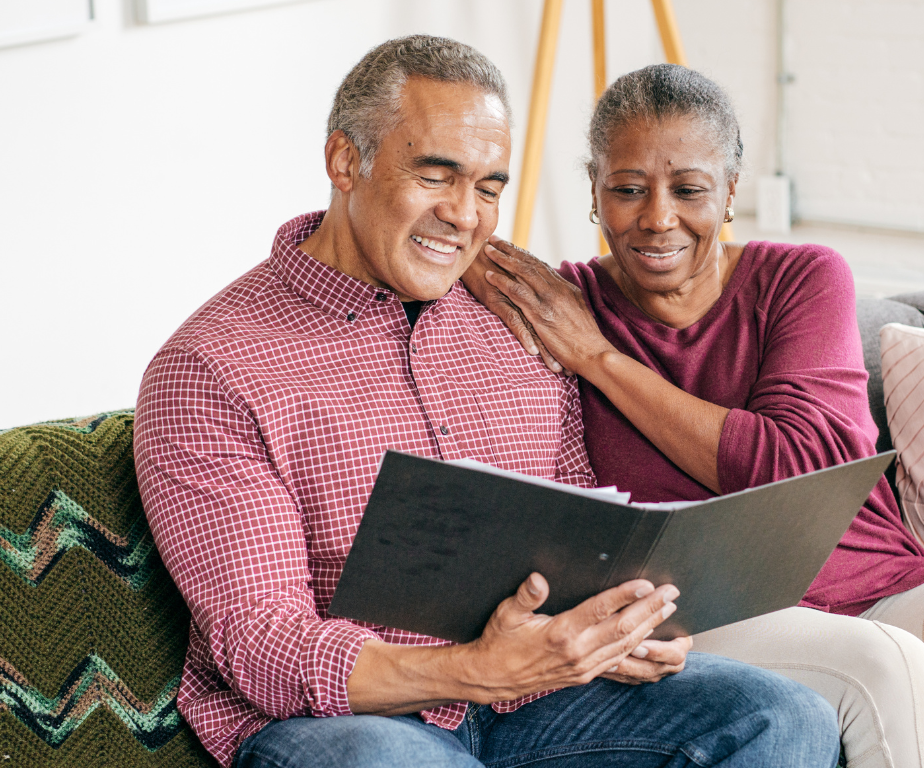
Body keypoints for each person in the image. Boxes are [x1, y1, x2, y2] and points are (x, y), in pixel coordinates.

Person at [134, 36, 840, 768]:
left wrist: (618, 624)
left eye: (489, 187)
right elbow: (258, 637)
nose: (464, 216)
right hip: (361, 720)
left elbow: (582, 524)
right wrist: (477, 668)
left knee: (779, 718)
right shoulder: (211, 368)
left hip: (545, 700)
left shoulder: (515, 320)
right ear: (346, 162)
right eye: (436, 176)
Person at [463, 64, 924, 768]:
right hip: (706, 604)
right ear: (595, 192)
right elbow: (443, 246)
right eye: (627, 189)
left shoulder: (800, 278)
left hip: (868, 575)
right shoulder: (557, 304)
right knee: (886, 665)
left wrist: (600, 359)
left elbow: (799, 466)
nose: (657, 218)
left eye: (689, 189)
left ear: (731, 191)